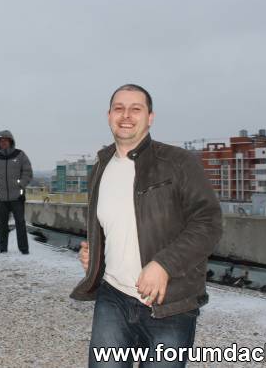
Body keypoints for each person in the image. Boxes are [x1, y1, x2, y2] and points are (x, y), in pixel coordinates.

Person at [70, 85, 222, 367]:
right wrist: (96, 256)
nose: (126, 115)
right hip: (112, 299)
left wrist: (163, 265)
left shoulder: (178, 162)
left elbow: (208, 223)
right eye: (119, 108)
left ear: (150, 117)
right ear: (109, 116)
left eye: (136, 109)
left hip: (170, 305)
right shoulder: (100, 167)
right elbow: (113, 226)